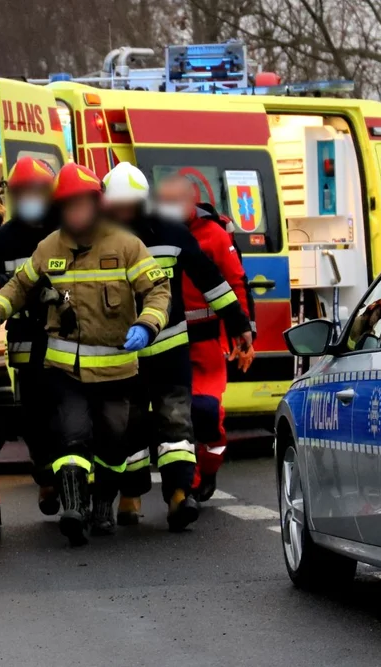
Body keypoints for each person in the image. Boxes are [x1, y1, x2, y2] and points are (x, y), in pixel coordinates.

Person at [0, 162, 171, 545]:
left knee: (113, 445)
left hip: (117, 371)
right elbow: (19, 287)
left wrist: (147, 324)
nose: (76, 213)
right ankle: (74, 510)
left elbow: (158, 292)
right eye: (68, 205)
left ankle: (102, 506)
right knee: (72, 437)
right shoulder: (49, 247)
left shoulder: (126, 245)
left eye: (82, 204)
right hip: (64, 371)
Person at [102, 164, 253, 531]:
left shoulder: (170, 233)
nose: (122, 212)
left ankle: (178, 496)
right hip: (124, 353)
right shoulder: (98, 238)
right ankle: (131, 497)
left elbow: (210, 279)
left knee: (176, 422)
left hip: (169, 347)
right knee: (129, 427)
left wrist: (238, 324)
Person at [155, 175, 254, 502]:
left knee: (207, 413)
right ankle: (186, 482)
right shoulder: (156, 233)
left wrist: (242, 334)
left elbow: (235, 284)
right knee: (172, 416)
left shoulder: (212, 236)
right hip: (166, 340)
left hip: (205, 343)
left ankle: (208, 466)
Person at [0, 156, 60, 515]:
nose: (28, 198)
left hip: (67, 335)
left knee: (70, 411)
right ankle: (46, 479)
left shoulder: (67, 228)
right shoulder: (3, 237)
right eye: (20, 192)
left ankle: (76, 479)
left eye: (35, 191)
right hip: (26, 339)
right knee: (34, 416)